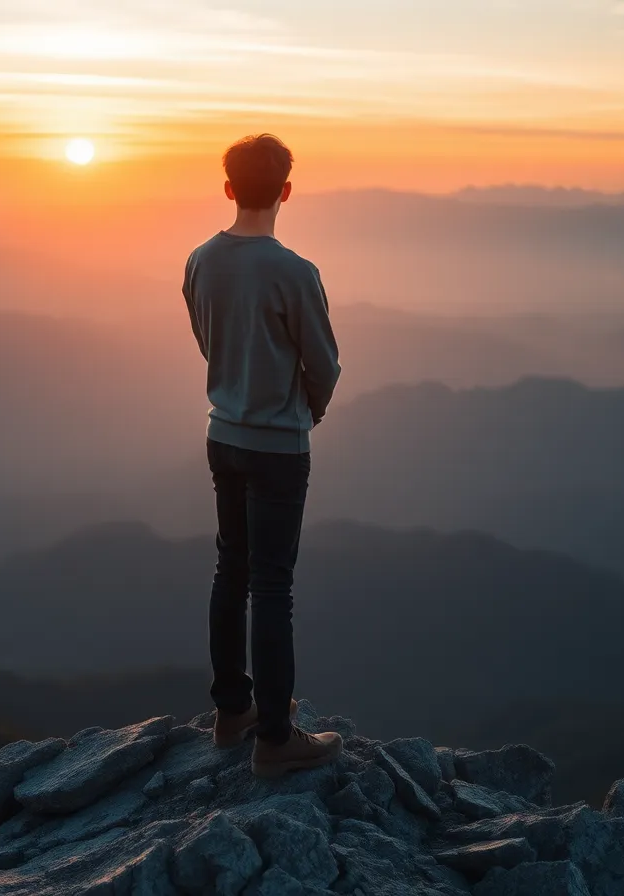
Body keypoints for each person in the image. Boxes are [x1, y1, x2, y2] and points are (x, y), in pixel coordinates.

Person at [181, 134, 343, 778]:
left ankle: (232, 712)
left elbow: (206, 338)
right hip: (278, 445)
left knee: (232, 571)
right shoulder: (295, 272)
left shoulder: (199, 260)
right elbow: (324, 365)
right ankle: (276, 738)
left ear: (227, 189)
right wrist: (307, 409)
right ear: (286, 191)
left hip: (223, 434)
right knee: (274, 586)